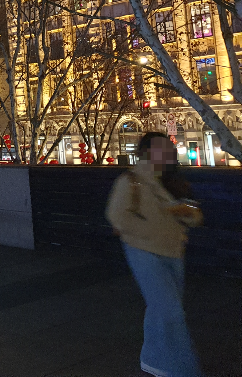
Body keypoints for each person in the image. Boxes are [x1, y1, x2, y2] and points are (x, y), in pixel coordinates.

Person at [106, 132, 203, 377]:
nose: (168, 151)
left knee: (160, 308)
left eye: (169, 147)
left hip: (173, 251)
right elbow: (117, 218)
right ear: (146, 151)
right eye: (162, 147)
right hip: (143, 251)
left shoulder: (172, 181)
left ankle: (152, 360)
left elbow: (194, 216)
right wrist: (151, 231)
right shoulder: (130, 181)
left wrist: (187, 214)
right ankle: (184, 370)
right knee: (171, 312)